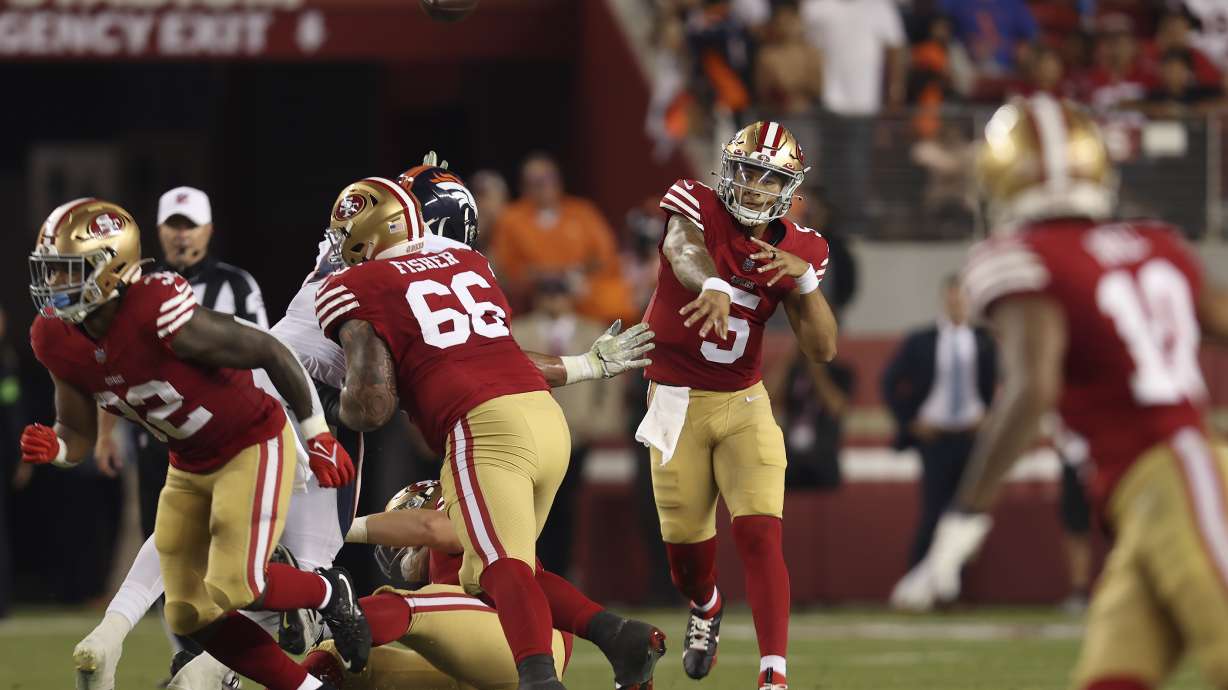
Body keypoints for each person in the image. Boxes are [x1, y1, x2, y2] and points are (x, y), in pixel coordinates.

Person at [892, 94, 1228, 690]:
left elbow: (1032, 388)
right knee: (1113, 675)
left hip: (1170, 472)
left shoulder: (1023, 257)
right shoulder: (1156, 243)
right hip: (1148, 490)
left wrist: (965, 517)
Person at [315, 177, 664, 690]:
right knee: (504, 570)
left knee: (499, 567)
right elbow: (496, 354)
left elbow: (372, 405)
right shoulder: (469, 261)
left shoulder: (354, 285)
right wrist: (585, 366)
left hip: (483, 426)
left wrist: (328, 403)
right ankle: (620, 638)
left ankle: (539, 679)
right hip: (545, 419)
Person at [22, 198, 364, 690]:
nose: (54, 284)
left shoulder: (155, 309)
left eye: (67, 270)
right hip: (190, 460)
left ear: (111, 267)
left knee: (234, 584)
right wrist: (55, 449)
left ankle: (328, 591)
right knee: (186, 613)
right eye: (50, 270)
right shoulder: (55, 338)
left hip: (251, 442)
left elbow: (270, 349)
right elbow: (75, 433)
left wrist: (318, 435)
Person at [636, 120, 838, 690]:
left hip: (744, 402)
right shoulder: (694, 202)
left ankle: (774, 675)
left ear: (789, 187)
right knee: (686, 560)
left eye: (768, 177)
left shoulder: (803, 247)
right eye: (747, 170)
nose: (753, 186)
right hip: (676, 402)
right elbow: (681, 248)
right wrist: (714, 285)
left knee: (760, 533)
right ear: (728, 169)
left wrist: (805, 283)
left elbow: (823, 350)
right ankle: (706, 604)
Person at [301, 480, 576, 690]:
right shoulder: (445, 564)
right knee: (332, 658)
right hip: (484, 662)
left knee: (413, 605)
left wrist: (334, 529)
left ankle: (330, 621)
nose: (400, 549)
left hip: (531, 650)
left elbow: (431, 527)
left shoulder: (464, 520)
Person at [881, 274, 997, 575]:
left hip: (972, 437)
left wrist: (990, 416)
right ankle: (919, 578)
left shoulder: (985, 341)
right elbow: (889, 381)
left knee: (966, 513)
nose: (957, 304)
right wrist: (910, 422)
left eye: (962, 298)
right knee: (933, 511)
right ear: (944, 299)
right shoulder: (921, 341)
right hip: (935, 438)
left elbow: (1006, 381)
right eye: (952, 297)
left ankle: (955, 583)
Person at [510, 276, 623, 575]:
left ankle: (561, 571)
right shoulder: (517, 331)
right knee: (530, 507)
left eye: (558, 294)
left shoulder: (592, 331)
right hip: (530, 434)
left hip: (576, 433)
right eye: (547, 294)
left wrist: (598, 423)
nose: (553, 301)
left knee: (568, 507)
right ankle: (531, 568)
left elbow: (610, 387)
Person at [489, 153, 636, 323]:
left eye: (548, 178)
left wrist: (578, 274)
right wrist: (543, 277)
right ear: (524, 186)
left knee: (616, 298)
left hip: (582, 291)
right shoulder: (511, 219)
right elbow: (505, 268)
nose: (543, 186)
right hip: (535, 297)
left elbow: (606, 257)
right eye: (535, 181)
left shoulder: (583, 212)